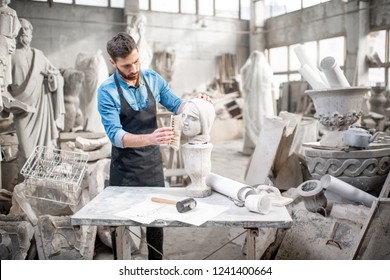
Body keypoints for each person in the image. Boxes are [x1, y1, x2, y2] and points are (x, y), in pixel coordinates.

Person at [97, 32, 210, 260]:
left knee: (155, 222)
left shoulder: (152, 78)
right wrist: (150, 138)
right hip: (125, 170)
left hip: (151, 165)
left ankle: (155, 265)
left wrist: (194, 104)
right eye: (127, 65)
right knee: (123, 225)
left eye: (136, 61)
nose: (134, 68)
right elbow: (116, 135)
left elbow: (176, 104)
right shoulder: (106, 91)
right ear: (113, 63)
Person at [9, 18, 65, 169]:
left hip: (41, 110)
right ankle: (23, 187)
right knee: (27, 154)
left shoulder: (39, 56)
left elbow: (57, 75)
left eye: (26, 28)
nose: (23, 31)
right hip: (21, 110)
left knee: (44, 152)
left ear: (31, 33)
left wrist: (52, 78)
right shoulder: (11, 56)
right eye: (20, 29)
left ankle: (36, 187)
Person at [0, 0, 21, 112]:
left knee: (5, 70)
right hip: (2, 45)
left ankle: (3, 91)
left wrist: (11, 41)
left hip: (6, 46)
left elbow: (16, 28)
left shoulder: (11, 12)